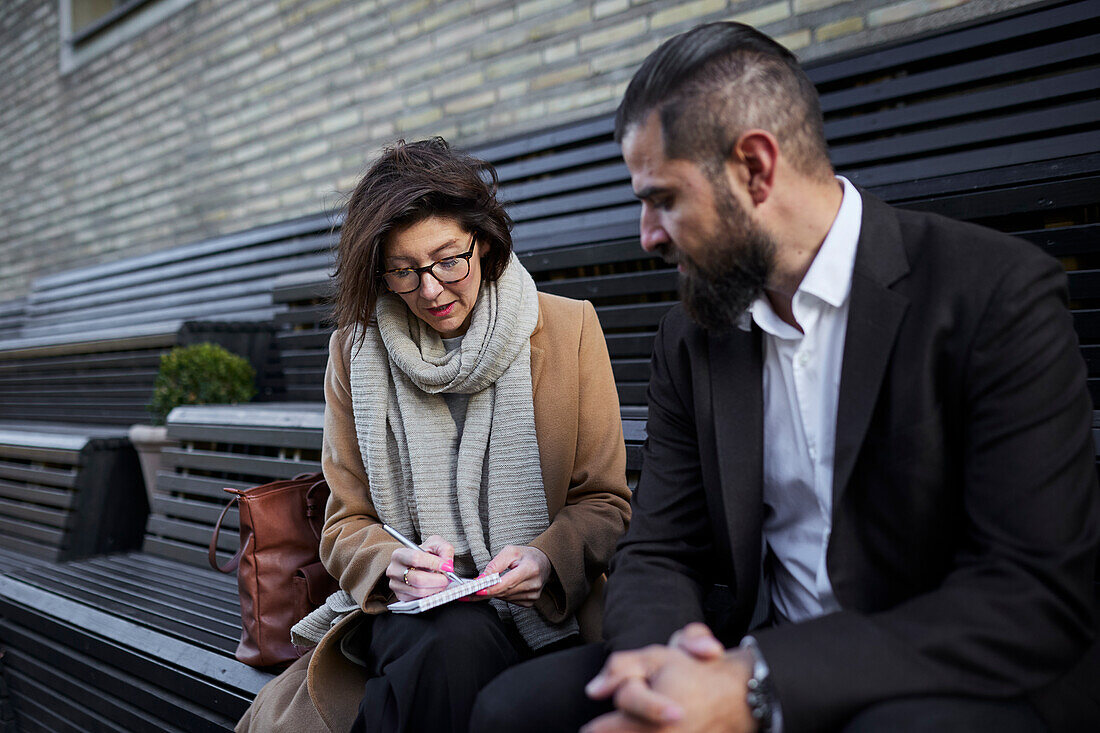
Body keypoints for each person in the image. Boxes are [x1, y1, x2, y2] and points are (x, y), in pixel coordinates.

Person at [471, 21, 1100, 733]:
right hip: (737, 652)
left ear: (756, 169)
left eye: (664, 198)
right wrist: (665, 670)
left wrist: (756, 685)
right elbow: (658, 549)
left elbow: (1030, 591)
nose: (646, 233)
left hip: (940, 675)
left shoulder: (993, 294)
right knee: (511, 710)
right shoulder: (694, 333)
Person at [236, 137, 631, 733]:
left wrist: (546, 561)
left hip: (548, 608)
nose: (430, 290)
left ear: (486, 243)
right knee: (450, 644)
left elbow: (604, 502)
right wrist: (392, 565)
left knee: (437, 673)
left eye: (450, 260)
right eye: (403, 271)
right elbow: (344, 523)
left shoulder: (571, 328)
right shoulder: (355, 352)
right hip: (412, 614)